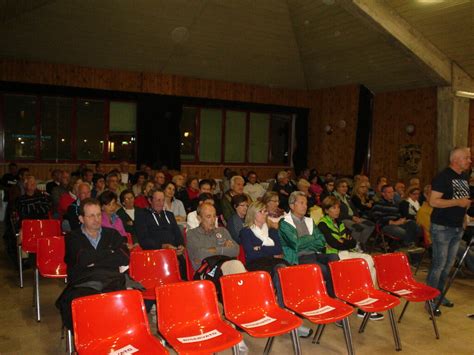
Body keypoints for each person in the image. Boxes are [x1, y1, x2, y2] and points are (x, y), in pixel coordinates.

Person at [56, 198, 129, 330]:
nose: (96, 219)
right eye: (91, 216)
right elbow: (83, 259)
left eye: (98, 215)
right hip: (83, 283)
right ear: (82, 219)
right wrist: (110, 252)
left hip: (111, 281)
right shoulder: (73, 237)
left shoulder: (112, 234)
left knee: (127, 301)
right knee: (86, 309)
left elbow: (124, 257)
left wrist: (94, 260)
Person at [318, 196, 383, 321]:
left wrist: (344, 241)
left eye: (338, 207)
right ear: (326, 210)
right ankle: (365, 306)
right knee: (363, 267)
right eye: (333, 208)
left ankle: (366, 304)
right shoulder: (322, 224)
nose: (337, 210)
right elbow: (334, 244)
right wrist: (344, 241)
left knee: (369, 260)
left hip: (346, 252)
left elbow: (352, 242)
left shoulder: (340, 222)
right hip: (336, 255)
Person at [427, 147, 471, 314]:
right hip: (441, 227)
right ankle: (430, 300)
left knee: (448, 266)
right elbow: (433, 202)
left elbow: (464, 201)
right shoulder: (442, 177)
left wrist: (464, 216)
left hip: (456, 227)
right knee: (439, 264)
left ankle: (439, 294)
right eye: (466, 158)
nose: (469, 161)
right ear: (456, 159)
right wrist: (457, 203)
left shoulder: (464, 177)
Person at [278, 191, 337, 296]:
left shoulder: (309, 221)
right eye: (301, 203)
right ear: (292, 205)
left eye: (305, 203)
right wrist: (312, 237)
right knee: (325, 270)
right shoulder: (284, 223)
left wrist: (306, 240)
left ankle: (333, 294)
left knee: (334, 258)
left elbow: (322, 241)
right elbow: (295, 244)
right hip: (298, 258)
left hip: (314, 254)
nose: (305, 206)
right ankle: (329, 295)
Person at [135, 189, 187, 279]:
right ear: (150, 200)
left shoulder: (169, 215)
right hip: (154, 254)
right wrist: (162, 246)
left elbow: (177, 234)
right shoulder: (142, 215)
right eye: (158, 200)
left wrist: (181, 245)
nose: (161, 203)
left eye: (163, 200)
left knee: (182, 264)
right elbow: (143, 240)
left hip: (173, 252)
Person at [186, 203, 241, 272]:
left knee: (236, 265)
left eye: (214, 216)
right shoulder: (192, 234)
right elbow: (200, 255)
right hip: (206, 271)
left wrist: (213, 249)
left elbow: (236, 250)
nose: (213, 220)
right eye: (208, 217)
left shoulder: (222, 231)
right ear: (199, 218)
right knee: (235, 266)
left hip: (225, 266)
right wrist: (224, 249)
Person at [372, 184, 423, 251]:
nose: (392, 194)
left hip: (398, 223)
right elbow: (377, 219)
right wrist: (393, 222)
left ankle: (407, 246)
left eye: (392, 192)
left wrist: (402, 220)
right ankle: (407, 247)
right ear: (383, 194)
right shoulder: (378, 204)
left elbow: (398, 216)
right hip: (386, 225)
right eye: (389, 192)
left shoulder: (395, 204)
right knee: (404, 232)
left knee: (413, 225)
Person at [333, 178, 375, 248]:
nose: (345, 188)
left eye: (346, 186)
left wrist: (357, 217)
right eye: (343, 186)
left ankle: (359, 243)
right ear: (337, 188)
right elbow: (338, 213)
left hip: (352, 217)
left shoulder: (347, 197)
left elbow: (354, 209)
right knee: (357, 228)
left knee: (371, 225)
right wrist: (352, 218)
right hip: (342, 219)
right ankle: (353, 246)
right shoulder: (334, 198)